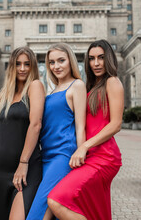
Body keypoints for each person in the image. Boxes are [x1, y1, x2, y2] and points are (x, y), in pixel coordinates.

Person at [47, 39, 124, 220]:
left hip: (104, 157)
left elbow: (116, 124)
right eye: (91, 58)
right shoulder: (89, 87)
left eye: (101, 58)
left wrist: (84, 147)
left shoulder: (112, 82)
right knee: (91, 208)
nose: (96, 63)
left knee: (56, 200)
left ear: (109, 59)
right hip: (90, 155)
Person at [26, 43, 87, 220]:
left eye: (61, 60)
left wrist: (81, 155)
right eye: (52, 62)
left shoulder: (77, 85)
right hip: (45, 156)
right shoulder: (51, 91)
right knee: (51, 214)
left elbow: (80, 126)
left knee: (38, 212)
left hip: (63, 155)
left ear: (71, 61)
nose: (56, 66)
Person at [0, 46, 45, 220]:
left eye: (27, 64)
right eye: (18, 64)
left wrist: (23, 162)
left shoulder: (35, 86)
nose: (22, 68)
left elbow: (36, 125)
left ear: (33, 66)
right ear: (12, 66)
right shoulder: (5, 92)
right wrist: (2, 136)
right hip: (0, 167)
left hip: (26, 167)